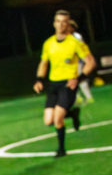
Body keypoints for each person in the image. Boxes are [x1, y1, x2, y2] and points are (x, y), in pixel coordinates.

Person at [34, 10, 96, 157]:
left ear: (68, 25)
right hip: (53, 85)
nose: (61, 24)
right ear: (54, 23)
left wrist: (79, 79)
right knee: (48, 121)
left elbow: (91, 62)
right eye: (58, 21)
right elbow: (43, 63)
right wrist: (39, 80)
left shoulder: (75, 43)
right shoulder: (48, 43)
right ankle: (73, 113)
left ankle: (61, 149)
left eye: (64, 22)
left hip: (68, 85)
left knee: (57, 119)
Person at [68, 19, 94, 104]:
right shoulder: (65, 37)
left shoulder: (77, 36)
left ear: (72, 28)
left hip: (78, 62)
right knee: (70, 81)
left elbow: (81, 49)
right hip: (68, 63)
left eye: (69, 26)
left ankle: (89, 97)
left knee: (81, 79)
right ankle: (77, 98)